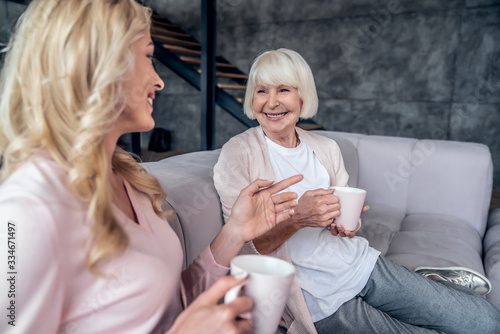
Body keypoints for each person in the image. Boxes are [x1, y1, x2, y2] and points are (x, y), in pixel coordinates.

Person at [0, 1, 303, 333]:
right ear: (97, 62)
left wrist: (235, 231)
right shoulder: (27, 209)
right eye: (147, 55)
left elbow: (169, 304)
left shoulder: (128, 179)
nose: (159, 81)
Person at [213, 48, 500, 334]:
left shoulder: (325, 148)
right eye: (262, 91)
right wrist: (297, 219)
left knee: (487, 322)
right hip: (318, 299)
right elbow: (242, 249)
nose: (272, 102)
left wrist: (348, 224)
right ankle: (435, 284)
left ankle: (436, 284)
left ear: (302, 96)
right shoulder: (239, 153)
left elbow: (347, 218)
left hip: (360, 263)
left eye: (284, 90)